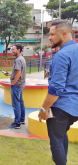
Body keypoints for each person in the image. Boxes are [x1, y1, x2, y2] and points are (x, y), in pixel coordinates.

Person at [38, 19, 78, 165]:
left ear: (64, 34)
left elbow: (56, 89)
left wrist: (44, 108)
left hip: (61, 106)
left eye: (52, 34)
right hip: (74, 107)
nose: (49, 37)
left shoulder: (61, 55)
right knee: (61, 136)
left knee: (56, 143)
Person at [4, 44, 26, 129]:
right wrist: (10, 74)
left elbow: (19, 73)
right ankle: (21, 119)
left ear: (19, 50)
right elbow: (18, 72)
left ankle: (17, 123)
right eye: (11, 49)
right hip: (21, 85)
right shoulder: (22, 59)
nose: (12, 51)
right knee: (20, 102)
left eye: (13, 49)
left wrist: (13, 83)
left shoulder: (17, 60)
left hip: (16, 85)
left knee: (16, 104)